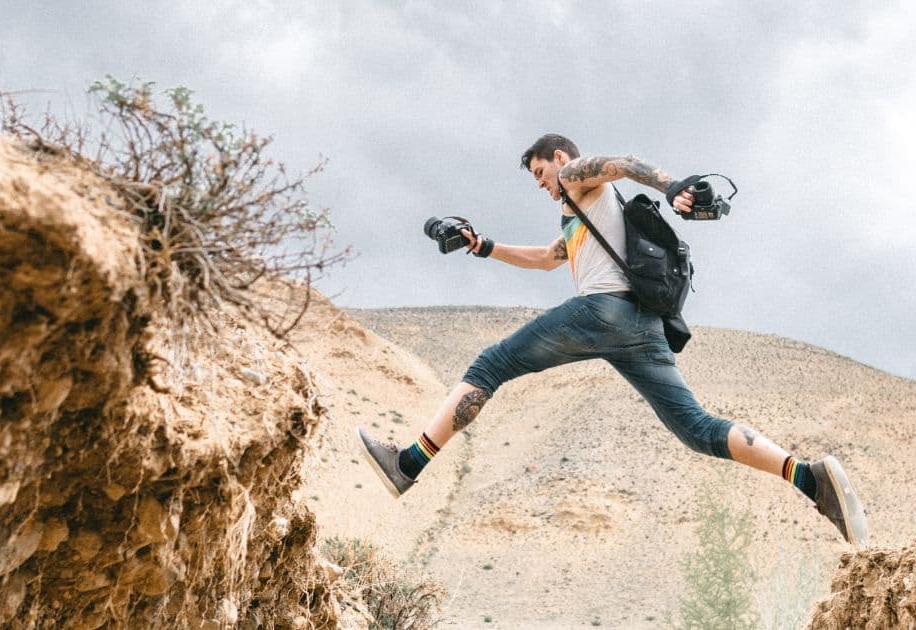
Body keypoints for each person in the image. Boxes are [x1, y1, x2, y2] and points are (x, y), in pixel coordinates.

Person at [356, 133, 868, 546]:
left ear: (560, 158)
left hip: (600, 312)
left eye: (540, 173)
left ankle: (407, 465)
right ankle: (808, 477)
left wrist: (672, 186)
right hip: (641, 326)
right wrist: (481, 245)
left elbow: (622, 161)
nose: (542, 185)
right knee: (695, 428)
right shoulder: (584, 214)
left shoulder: (579, 178)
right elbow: (545, 258)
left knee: (490, 366)